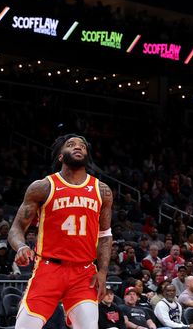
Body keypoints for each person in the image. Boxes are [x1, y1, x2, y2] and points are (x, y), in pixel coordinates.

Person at [8, 134, 114, 329]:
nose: (77, 147)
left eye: (82, 146)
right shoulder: (43, 187)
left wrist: (103, 272)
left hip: (84, 273)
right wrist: (21, 246)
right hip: (49, 269)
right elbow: (16, 228)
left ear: (87, 155)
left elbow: (105, 235)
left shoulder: (102, 190)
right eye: (71, 144)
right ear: (60, 156)